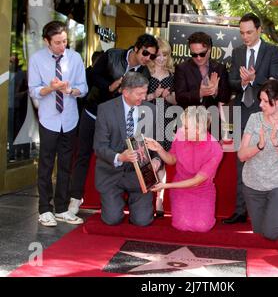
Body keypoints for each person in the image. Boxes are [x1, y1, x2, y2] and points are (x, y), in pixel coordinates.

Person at [68, 34, 158, 215]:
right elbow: (92, 75)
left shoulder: (145, 72)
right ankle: (75, 199)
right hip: (93, 111)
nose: (148, 58)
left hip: (115, 120)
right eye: (146, 53)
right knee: (83, 155)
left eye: (152, 56)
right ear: (136, 47)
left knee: (117, 154)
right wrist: (109, 86)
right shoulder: (111, 55)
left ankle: (119, 201)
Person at [224, 12, 278, 224]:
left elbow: (275, 83)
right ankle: (241, 211)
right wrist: (242, 83)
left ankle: (266, 213)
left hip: (264, 114)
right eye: (241, 33)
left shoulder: (272, 51)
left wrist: (255, 79)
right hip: (241, 112)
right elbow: (230, 82)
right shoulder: (238, 52)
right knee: (242, 163)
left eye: (249, 32)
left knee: (266, 163)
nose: (245, 37)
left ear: (259, 30)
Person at [28, 20, 88, 226]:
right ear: (47, 41)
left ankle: (61, 208)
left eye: (65, 41)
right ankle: (45, 208)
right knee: (45, 164)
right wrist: (51, 88)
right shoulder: (37, 59)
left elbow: (84, 88)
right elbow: (34, 90)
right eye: (57, 42)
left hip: (70, 118)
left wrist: (70, 90)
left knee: (65, 165)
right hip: (48, 119)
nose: (62, 46)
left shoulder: (75, 58)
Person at [93, 72, 162, 226]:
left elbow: (160, 145)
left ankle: (136, 206)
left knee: (143, 221)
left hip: (140, 175)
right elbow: (99, 147)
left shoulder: (152, 110)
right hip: (111, 174)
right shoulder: (105, 109)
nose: (144, 97)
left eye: (145, 92)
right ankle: (115, 204)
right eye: (140, 93)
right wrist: (120, 157)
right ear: (125, 92)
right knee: (112, 219)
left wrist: (157, 161)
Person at [238, 79, 278, 241]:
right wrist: (259, 146)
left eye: (266, 101)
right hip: (253, 183)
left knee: (272, 233)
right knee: (259, 232)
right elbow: (241, 155)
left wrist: (276, 143)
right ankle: (276, 219)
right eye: (261, 100)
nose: (261, 104)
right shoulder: (254, 118)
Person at [146, 107, 224, 232]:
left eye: (187, 127)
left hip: (202, 190)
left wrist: (166, 186)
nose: (182, 129)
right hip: (180, 189)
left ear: (198, 129)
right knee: (181, 225)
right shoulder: (181, 135)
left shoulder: (215, 149)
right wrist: (159, 149)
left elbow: (197, 181)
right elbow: (172, 160)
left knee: (202, 227)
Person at [146, 38, 177, 217]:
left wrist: (168, 96)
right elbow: (138, 99)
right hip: (147, 120)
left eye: (165, 55)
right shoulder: (145, 72)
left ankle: (159, 198)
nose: (161, 59)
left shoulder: (173, 75)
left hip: (167, 120)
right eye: (158, 55)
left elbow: (177, 100)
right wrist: (153, 95)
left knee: (162, 160)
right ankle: (145, 198)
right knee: (149, 160)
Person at [174, 31, 231, 111]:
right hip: (189, 119)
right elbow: (179, 97)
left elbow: (226, 97)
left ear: (210, 49)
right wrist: (200, 93)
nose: (198, 58)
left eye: (202, 54)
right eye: (194, 54)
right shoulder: (182, 68)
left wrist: (215, 92)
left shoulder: (220, 68)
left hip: (212, 119)